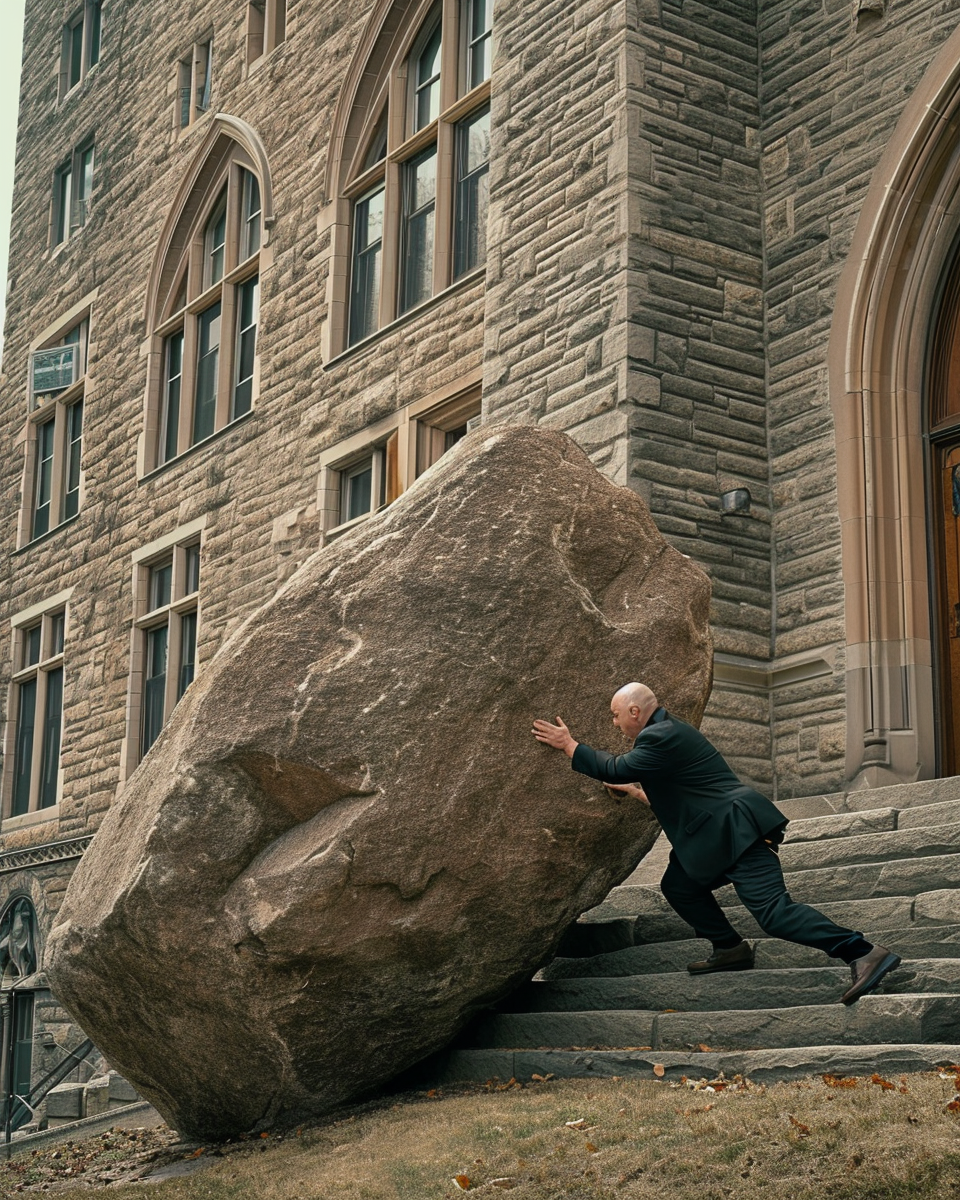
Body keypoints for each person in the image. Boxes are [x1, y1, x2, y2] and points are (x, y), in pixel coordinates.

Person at [532, 682, 901, 1005]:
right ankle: (729, 947)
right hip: (716, 837)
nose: (614, 723)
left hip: (738, 833)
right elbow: (681, 795)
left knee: (774, 914)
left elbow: (614, 767)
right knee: (679, 886)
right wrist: (634, 792)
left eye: (615, 716)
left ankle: (864, 952)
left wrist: (569, 744)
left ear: (634, 711)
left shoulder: (659, 736)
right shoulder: (666, 733)